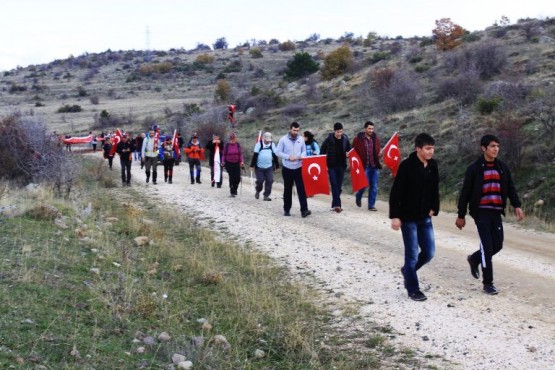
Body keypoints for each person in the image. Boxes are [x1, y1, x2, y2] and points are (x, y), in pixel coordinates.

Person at [455, 134, 524, 295]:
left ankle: (474, 259)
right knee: (487, 246)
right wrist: (461, 214)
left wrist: (517, 205)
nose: (496, 149)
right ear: (484, 148)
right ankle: (488, 283)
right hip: (481, 212)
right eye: (492, 146)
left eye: (497, 146)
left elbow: (511, 188)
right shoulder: (474, 168)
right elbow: (465, 192)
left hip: (496, 211)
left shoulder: (502, 167)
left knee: (497, 244)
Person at [389, 133, 439, 301]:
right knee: (411, 255)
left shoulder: (433, 166)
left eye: (432, 148)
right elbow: (396, 192)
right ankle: (413, 289)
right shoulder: (406, 166)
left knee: (429, 252)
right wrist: (395, 216)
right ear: (418, 149)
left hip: (425, 217)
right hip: (408, 218)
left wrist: (434, 208)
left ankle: (407, 272)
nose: (431, 151)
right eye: (427, 148)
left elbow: (435, 189)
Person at [275, 122, 311, 217]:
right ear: (290, 129)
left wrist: (301, 156)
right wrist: (288, 157)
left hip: (299, 168)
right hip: (287, 168)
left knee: (301, 189)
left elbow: (304, 151)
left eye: (297, 130)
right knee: (288, 189)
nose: (296, 132)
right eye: (294, 130)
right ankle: (287, 210)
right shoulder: (283, 140)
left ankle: (304, 210)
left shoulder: (301, 140)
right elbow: (277, 152)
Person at [320, 122, 351, 213]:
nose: (339, 134)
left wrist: (348, 153)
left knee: (339, 186)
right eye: (338, 132)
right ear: (334, 131)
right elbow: (322, 150)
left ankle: (334, 204)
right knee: (334, 184)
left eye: (341, 131)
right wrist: (323, 163)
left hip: (342, 165)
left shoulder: (345, 139)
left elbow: (349, 149)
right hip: (331, 166)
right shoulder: (329, 139)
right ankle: (338, 205)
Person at [352, 121, 382, 211]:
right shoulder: (358, 139)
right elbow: (353, 151)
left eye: (372, 128)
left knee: (374, 186)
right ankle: (358, 195)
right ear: (365, 128)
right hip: (364, 166)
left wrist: (379, 153)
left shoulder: (376, 139)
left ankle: (371, 205)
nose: (371, 130)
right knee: (364, 185)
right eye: (369, 128)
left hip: (374, 165)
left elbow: (377, 150)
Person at [250, 132, 279, 201]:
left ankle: (266, 195)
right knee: (260, 181)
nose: (268, 141)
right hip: (259, 167)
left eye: (269, 140)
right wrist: (252, 165)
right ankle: (258, 190)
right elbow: (255, 155)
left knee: (269, 180)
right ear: (264, 138)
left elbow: (275, 156)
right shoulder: (259, 144)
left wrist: (277, 166)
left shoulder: (272, 145)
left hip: (269, 166)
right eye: (267, 140)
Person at [222, 132, 244, 197]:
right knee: (232, 178)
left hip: (237, 163)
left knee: (238, 178)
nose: (233, 140)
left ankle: (235, 188)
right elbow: (223, 154)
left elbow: (240, 155)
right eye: (231, 138)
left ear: (236, 138)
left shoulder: (238, 145)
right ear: (229, 139)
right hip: (229, 163)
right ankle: (232, 191)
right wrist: (223, 161)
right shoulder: (227, 145)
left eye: (234, 138)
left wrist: (241, 162)